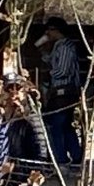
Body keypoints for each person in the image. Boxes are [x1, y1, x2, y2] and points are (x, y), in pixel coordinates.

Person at [34, 15, 84, 170]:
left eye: (50, 30)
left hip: (64, 91)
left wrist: (50, 73)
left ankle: (61, 159)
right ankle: (75, 157)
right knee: (64, 125)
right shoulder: (59, 46)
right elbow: (53, 61)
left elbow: (62, 70)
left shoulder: (65, 47)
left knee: (57, 125)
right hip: (63, 92)